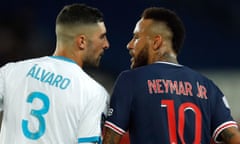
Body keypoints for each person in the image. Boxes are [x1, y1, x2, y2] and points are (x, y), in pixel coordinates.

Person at [103, 7, 240, 144]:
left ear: (156, 42)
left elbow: (110, 141)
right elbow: (234, 137)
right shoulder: (208, 87)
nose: (129, 45)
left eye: (136, 37)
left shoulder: (131, 80)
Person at [0, 3, 110, 143]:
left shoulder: (11, 71)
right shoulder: (94, 93)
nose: (106, 44)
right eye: (102, 37)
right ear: (82, 41)